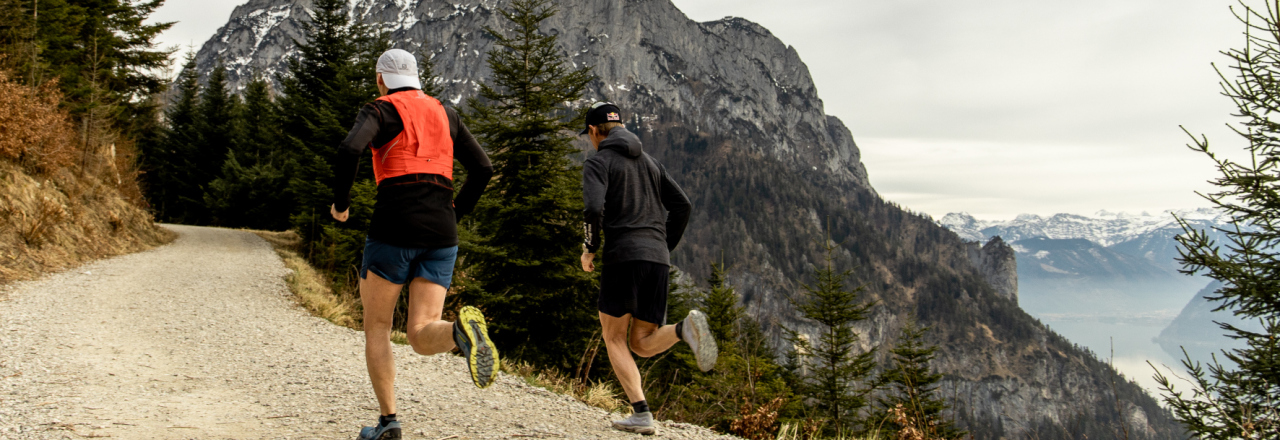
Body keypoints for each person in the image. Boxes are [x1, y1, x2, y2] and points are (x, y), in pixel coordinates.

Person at [330, 48, 498, 440]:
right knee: (422, 333)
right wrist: (454, 215)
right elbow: (484, 168)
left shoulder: (380, 109)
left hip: (394, 227)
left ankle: (389, 423)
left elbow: (350, 149)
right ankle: (460, 332)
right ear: (417, 79)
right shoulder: (446, 112)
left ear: (381, 80)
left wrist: (341, 205)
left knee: (377, 327)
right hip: (442, 232)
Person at [579, 102, 718, 435]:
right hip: (657, 259)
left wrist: (590, 247)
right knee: (642, 341)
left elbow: (593, 208)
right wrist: (661, 245)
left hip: (623, 256)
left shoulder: (599, 162)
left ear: (596, 131)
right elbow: (682, 205)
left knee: (614, 337)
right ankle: (685, 329)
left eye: (589, 135)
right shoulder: (652, 163)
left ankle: (641, 413)